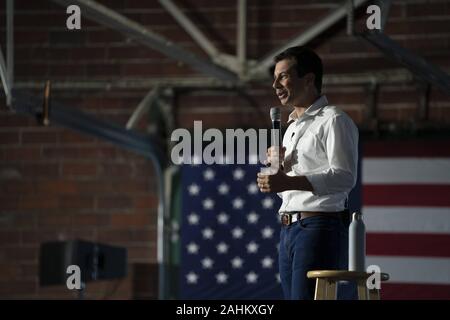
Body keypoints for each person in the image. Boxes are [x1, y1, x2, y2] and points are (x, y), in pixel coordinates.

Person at [256, 46, 359, 300]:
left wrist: (287, 180)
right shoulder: (290, 128)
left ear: (309, 79)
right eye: (274, 78)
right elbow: (290, 186)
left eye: (283, 76)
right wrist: (279, 170)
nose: (275, 85)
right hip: (288, 229)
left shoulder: (333, 119)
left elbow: (345, 176)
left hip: (318, 226)